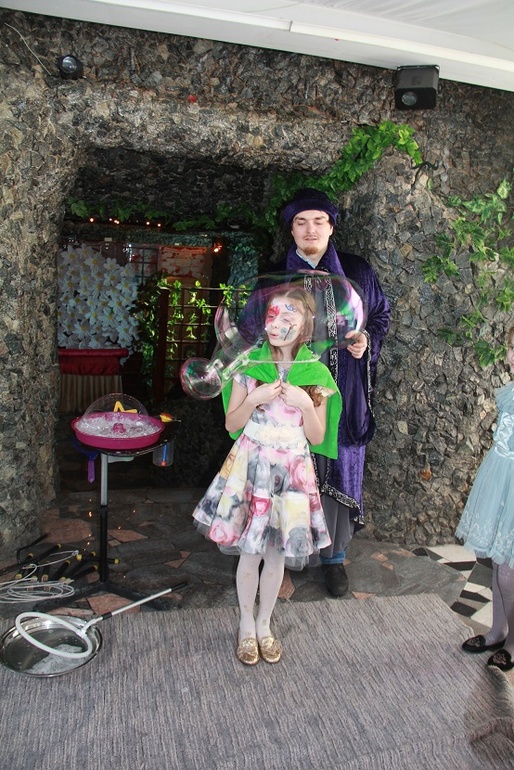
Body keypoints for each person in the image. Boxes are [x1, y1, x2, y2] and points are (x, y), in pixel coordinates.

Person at [192, 287, 342, 665]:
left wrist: (305, 404)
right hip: (253, 467)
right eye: (272, 315)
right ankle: (246, 624)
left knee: (275, 556)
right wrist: (255, 399)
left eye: (288, 316)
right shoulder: (250, 366)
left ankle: (264, 625)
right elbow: (232, 423)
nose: (276, 324)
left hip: (291, 473)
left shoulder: (316, 374)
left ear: (305, 326)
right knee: (250, 552)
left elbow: (317, 436)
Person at [274, 188, 391, 597]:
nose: (311, 230)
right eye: (301, 222)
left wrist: (365, 340)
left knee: (338, 464)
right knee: (293, 466)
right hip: (291, 393)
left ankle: (334, 558)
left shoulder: (357, 271)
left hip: (344, 389)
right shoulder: (276, 276)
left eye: (319, 221)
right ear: (291, 229)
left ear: (331, 227)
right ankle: (289, 552)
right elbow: (257, 329)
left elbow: (380, 316)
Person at [457, 324, 514, 672]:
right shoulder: (509, 393)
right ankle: (497, 631)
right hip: (500, 482)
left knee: (508, 572)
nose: (513, 355)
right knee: (496, 563)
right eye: (512, 347)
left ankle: (513, 643)